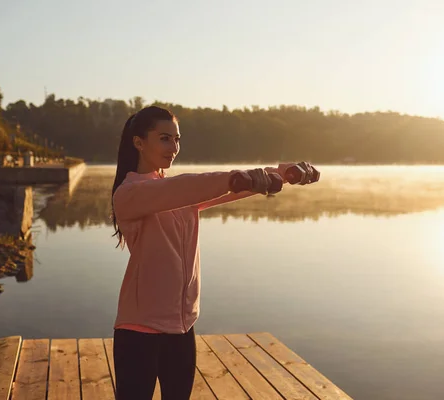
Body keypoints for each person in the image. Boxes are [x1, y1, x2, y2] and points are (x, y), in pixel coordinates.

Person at [110, 105, 317, 399]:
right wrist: (236, 176)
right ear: (139, 142)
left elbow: (220, 190)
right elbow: (192, 187)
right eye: (165, 138)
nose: (174, 148)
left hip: (181, 328)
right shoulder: (129, 194)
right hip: (139, 330)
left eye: (177, 139)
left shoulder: (178, 192)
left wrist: (282, 174)